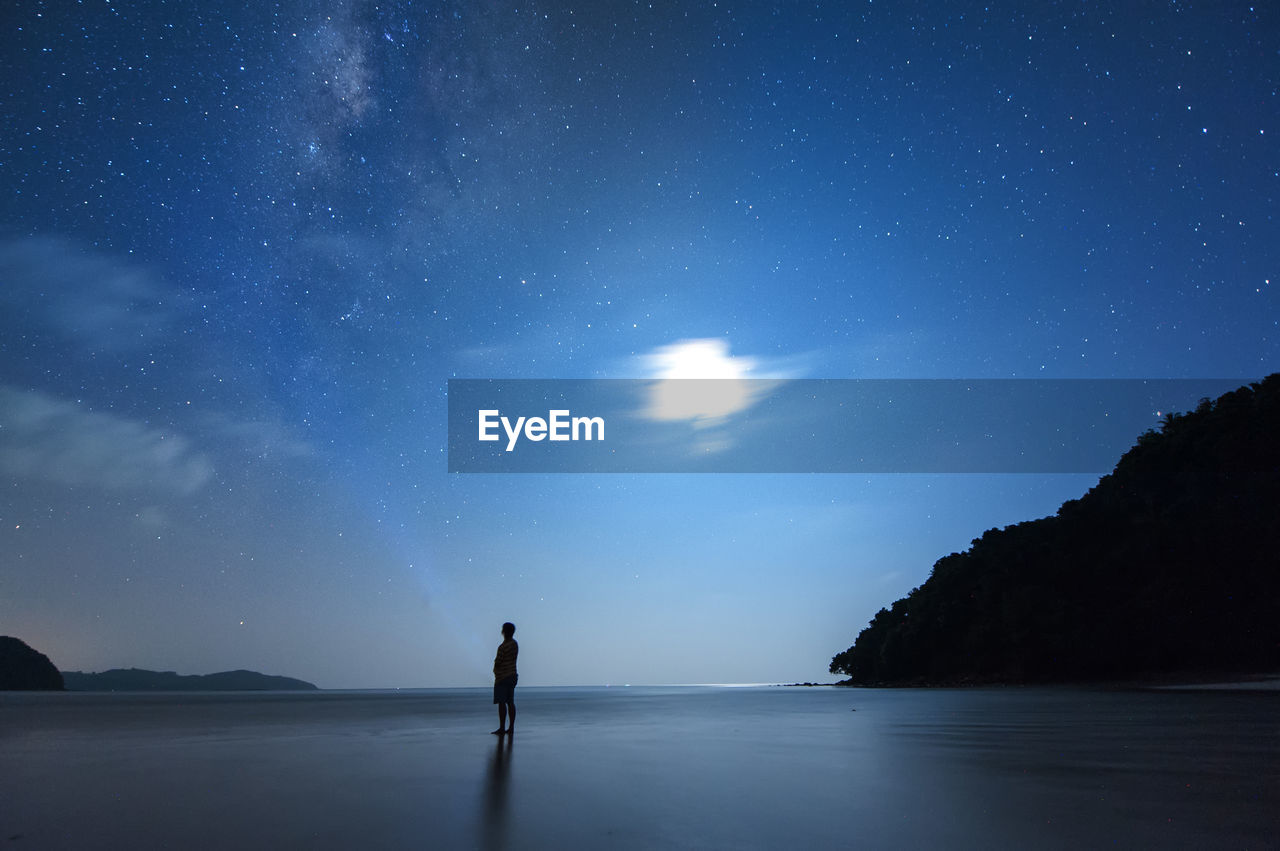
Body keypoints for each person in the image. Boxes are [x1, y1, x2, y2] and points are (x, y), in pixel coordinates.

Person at [491, 622, 518, 735]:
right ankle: (511, 727)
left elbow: (498, 662)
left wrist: (495, 670)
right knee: (510, 702)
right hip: (512, 675)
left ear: (504, 632)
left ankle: (502, 727)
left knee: (502, 703)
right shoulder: (514, 644)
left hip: (502, 677)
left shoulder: (503, 647)